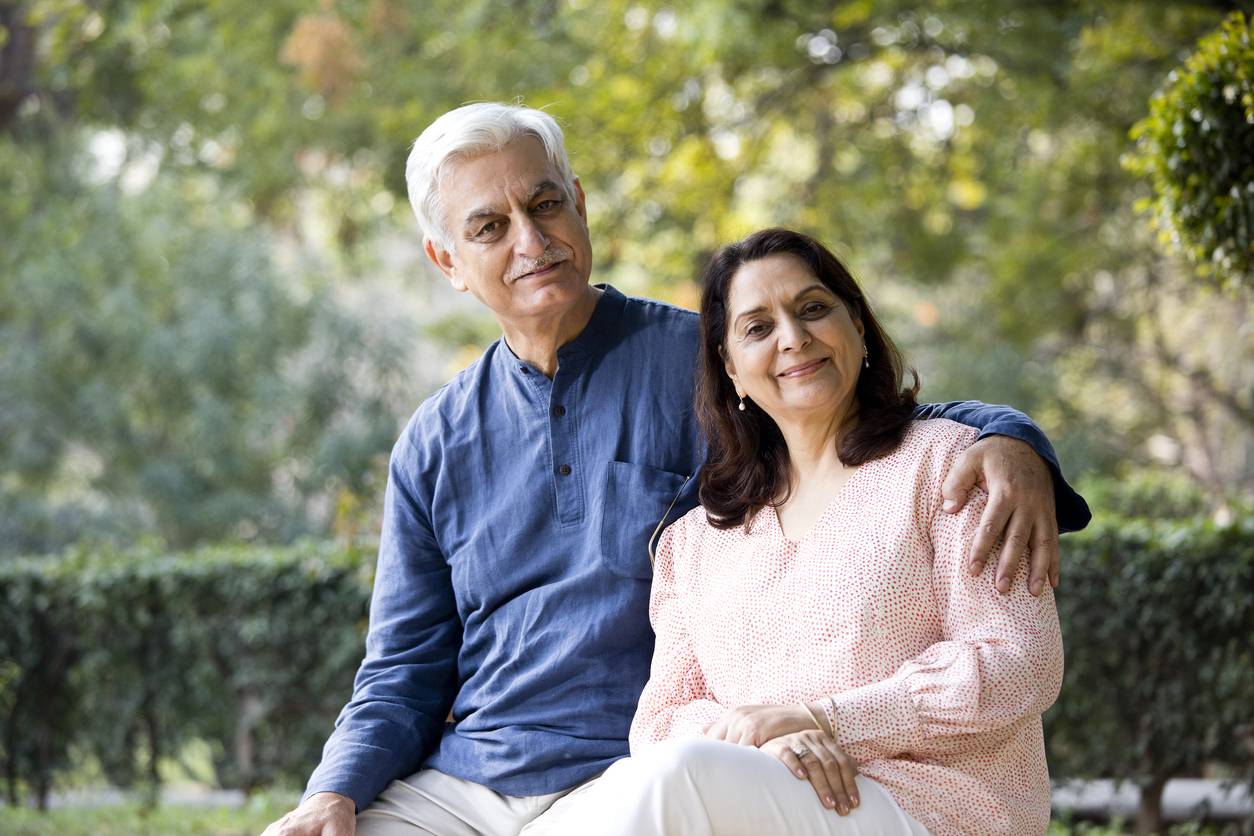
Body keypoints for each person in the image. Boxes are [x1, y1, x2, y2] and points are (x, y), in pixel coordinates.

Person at [262, 104, 1088, 836]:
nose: (531, 240)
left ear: (579, 204)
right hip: (471, 780)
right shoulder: (433, 441)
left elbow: (846, 411)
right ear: (446, 260)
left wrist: (1013, 439)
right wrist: (335, 790)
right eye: (490, 226)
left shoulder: (698, 358)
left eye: (546, 203)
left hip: (636, 772)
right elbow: (402, 668)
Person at [541, 228, 1064, 836]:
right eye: (758, 327)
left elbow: (1020, 662)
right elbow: (658, 722)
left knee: (676, 778)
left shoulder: (951, 468)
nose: (794, 338)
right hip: (752, 796)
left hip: (927, 809)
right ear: (729, 368)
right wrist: (761, 745)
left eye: (813, 309)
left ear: (859, 327)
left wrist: (825, 721)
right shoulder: (694, 543)